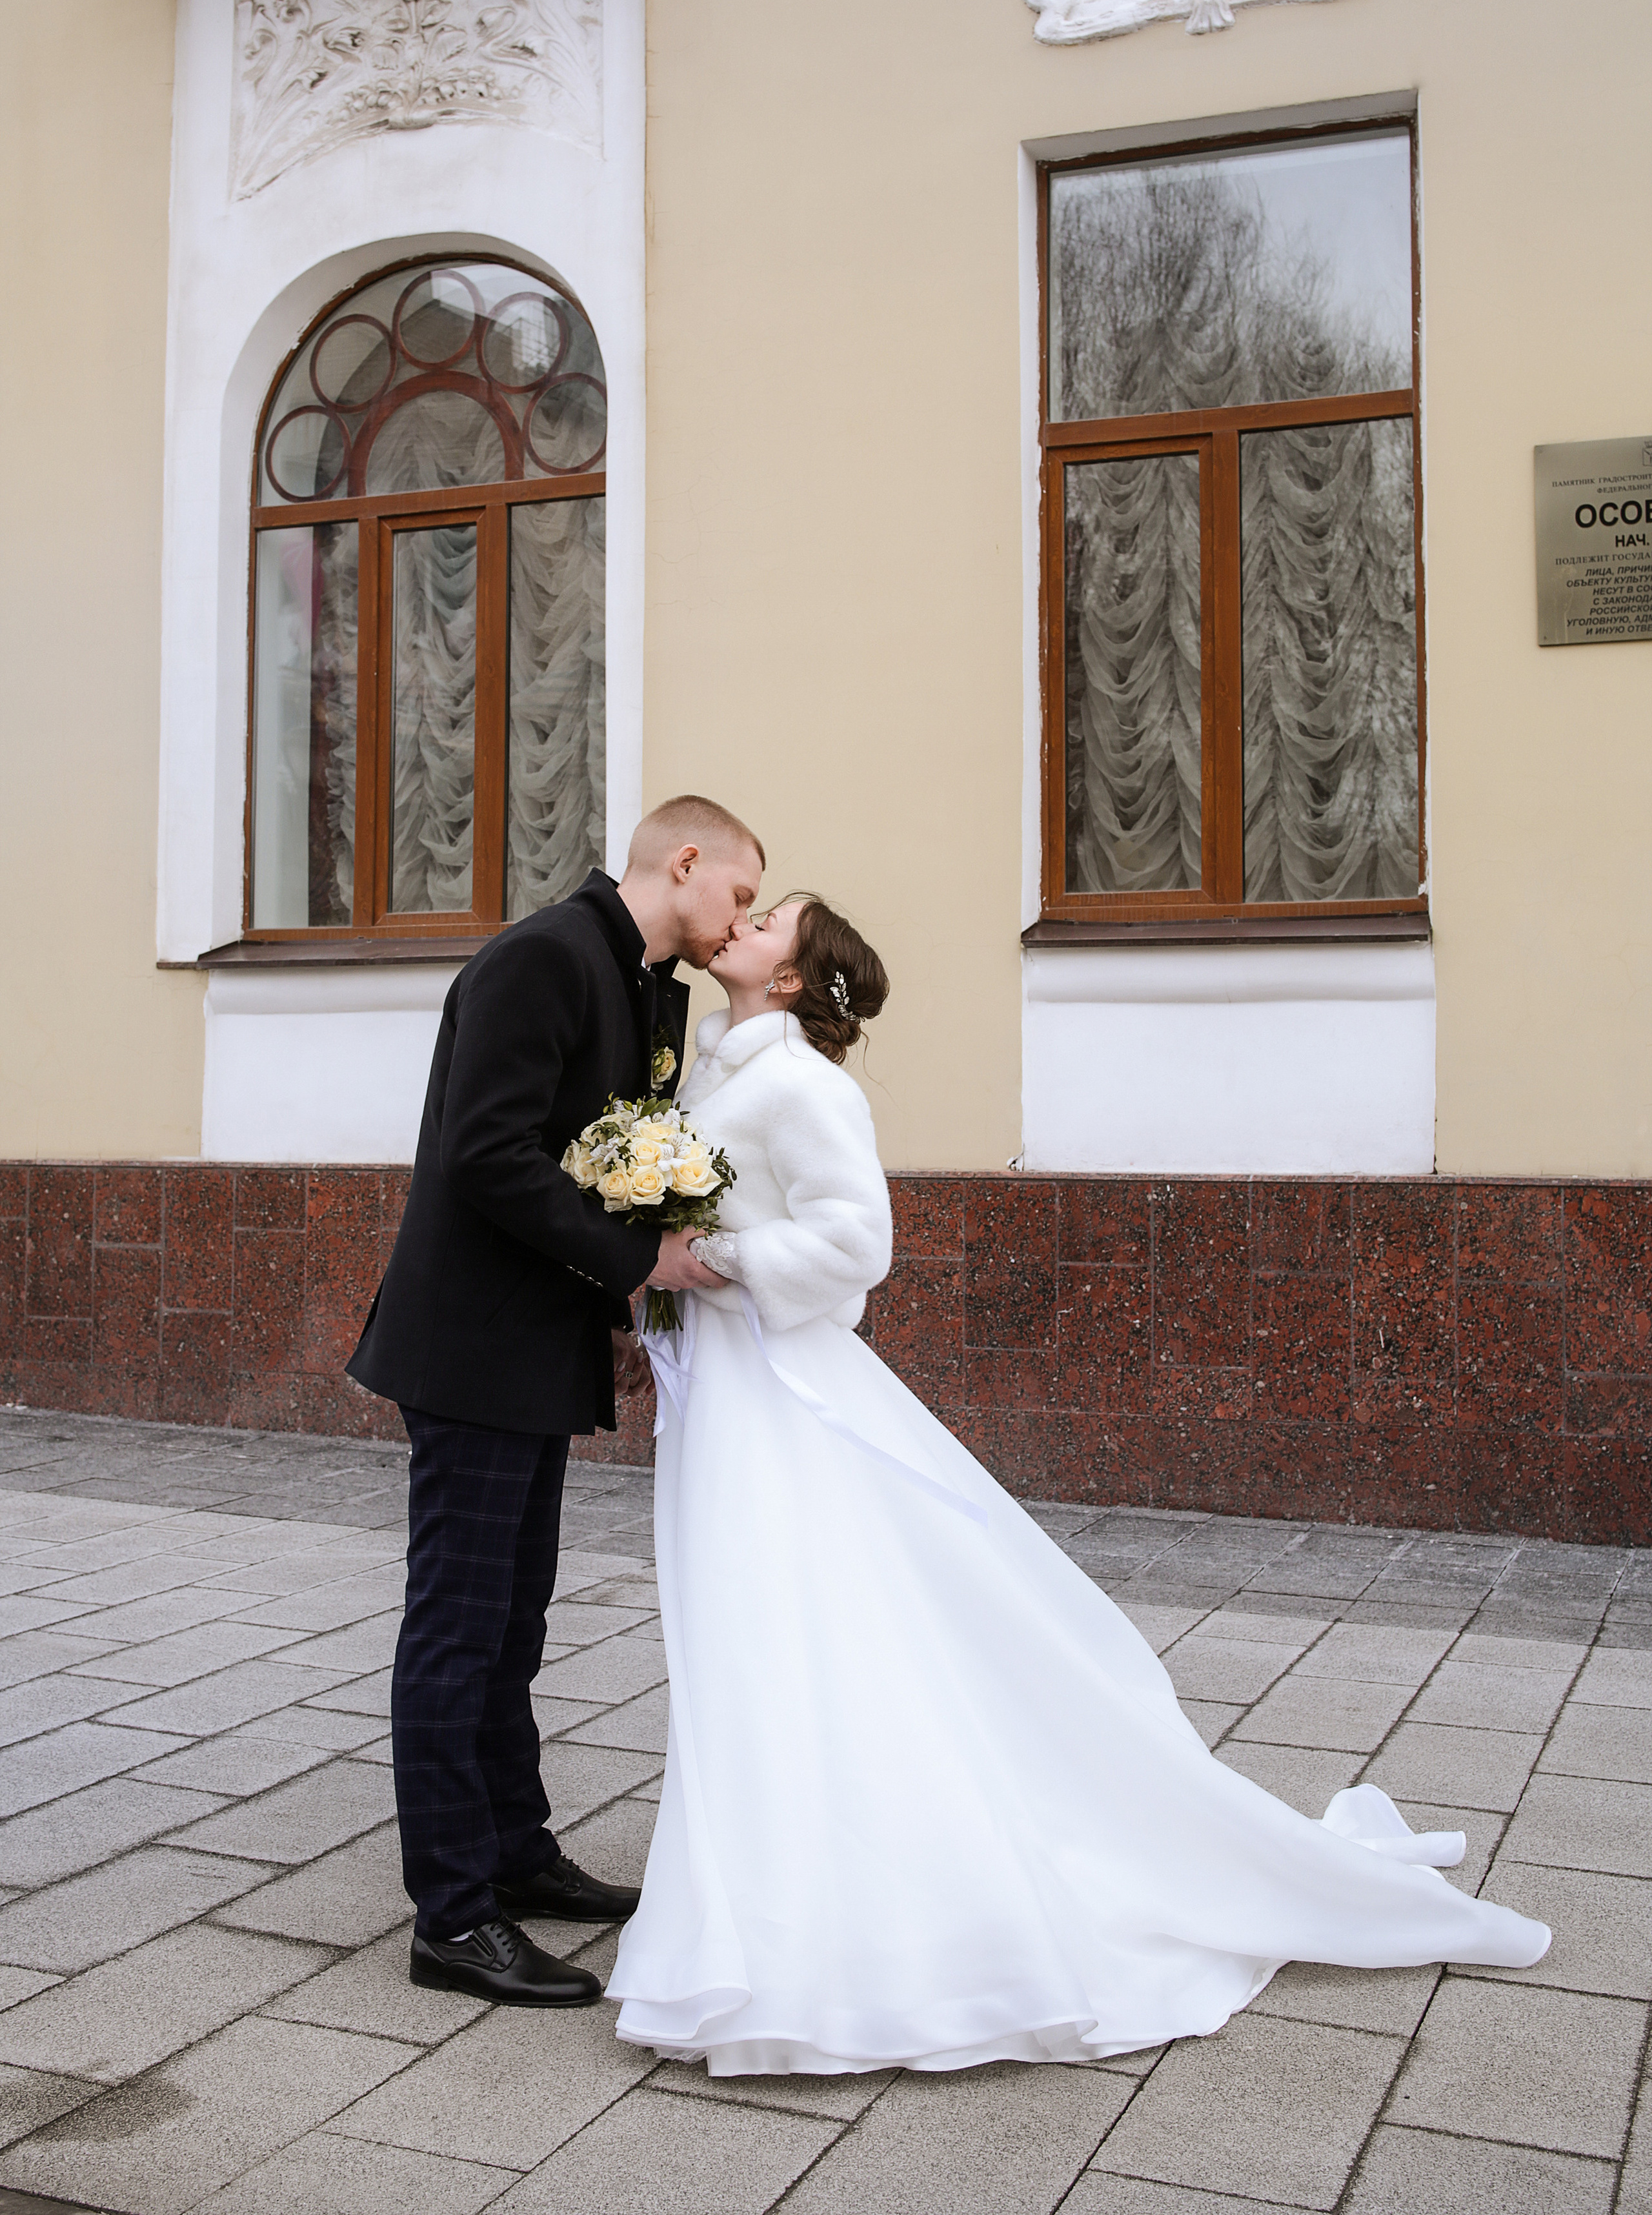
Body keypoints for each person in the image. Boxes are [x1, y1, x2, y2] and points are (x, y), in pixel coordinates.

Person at [608, 893, 1550, 2074]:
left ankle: (832, 1913)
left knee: (795, 1616)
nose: (740, 927)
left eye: (769, 923)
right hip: (730, 1386)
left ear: (791, 981)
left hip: (781, 1388)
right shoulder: (710, 1073)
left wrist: (713, 1258)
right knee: (754, 1627)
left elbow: (859, 1244)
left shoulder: (803, 1086)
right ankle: (763, 1889)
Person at [347, 796, 764, 2008]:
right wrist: (635, 1265)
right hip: (472, 1351)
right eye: (739, 891)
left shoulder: (640, 982)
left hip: (534, 1348)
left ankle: (516, 1855)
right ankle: (453, 1914)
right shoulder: (542, 956)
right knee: (459, 1625)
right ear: (684, 861)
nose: (739, 919)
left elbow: (598, 1157)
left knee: (514, 1620)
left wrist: (628, 1293)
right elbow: (486, 1153)